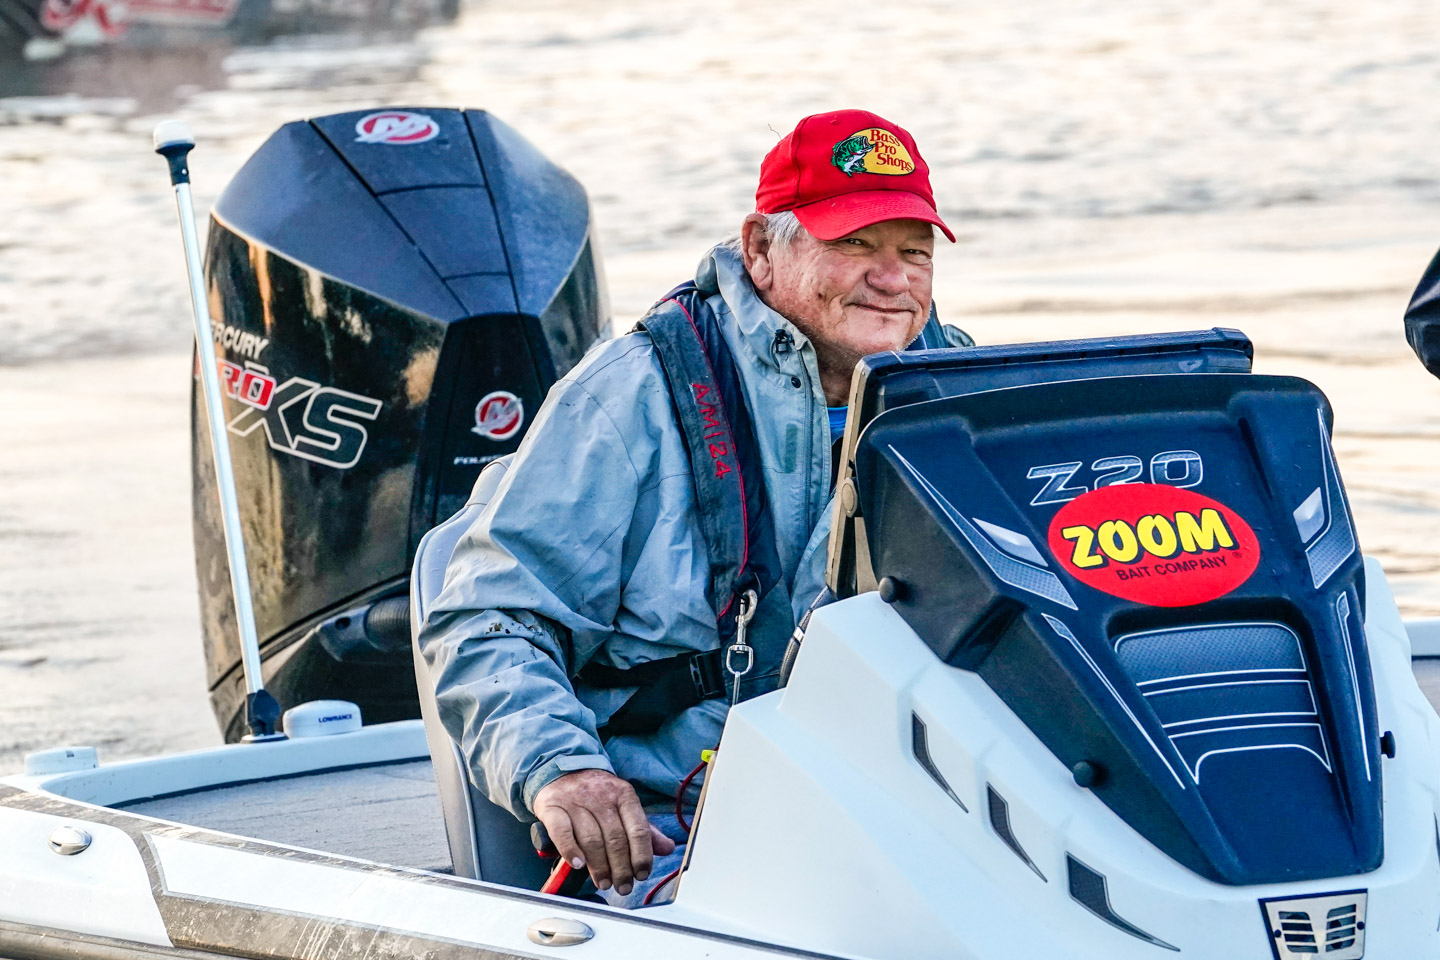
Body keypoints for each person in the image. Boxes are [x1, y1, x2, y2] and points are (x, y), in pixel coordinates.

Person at [419, 108, 956, 907]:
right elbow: (485, 618)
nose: (892, 278)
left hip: (921, 813)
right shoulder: (628, 394)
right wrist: (564, 770)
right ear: (759, 249)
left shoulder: (970, 395)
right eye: (854, 243)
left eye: (914, 251)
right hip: (685, 830)